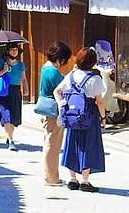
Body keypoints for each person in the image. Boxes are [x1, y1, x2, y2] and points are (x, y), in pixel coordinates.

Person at [55, 46, 108, 192]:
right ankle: (85, 181)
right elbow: (100, 102)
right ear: (93, 62)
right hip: (89, 114)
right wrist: (103, 118)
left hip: (72, 114)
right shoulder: (95, 79)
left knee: (72, 144)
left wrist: (62, 105)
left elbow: (57, 91)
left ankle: (72, 179)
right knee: (88, 145)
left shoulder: (71, 76)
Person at [38, 41, 73, 186]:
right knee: (53, 145)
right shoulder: (53, 72)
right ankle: (51, 178)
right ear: (61, 58)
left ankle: (50, 176)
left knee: (49, 142)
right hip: (54, 112)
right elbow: (64, 87)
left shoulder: (46, 67)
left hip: (46, 109)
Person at [0, 43, 27, 149]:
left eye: (16, 50)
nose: (14, 52)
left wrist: (26, 88)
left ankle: (9, 136)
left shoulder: (20, 65)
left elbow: (24, 78)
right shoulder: (1, 62)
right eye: (12, 50)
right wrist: (3, 71)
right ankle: (11, 141)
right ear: (8, 51)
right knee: (6, 116)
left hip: (15, 91)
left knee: (14, 117)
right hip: (3, 91)